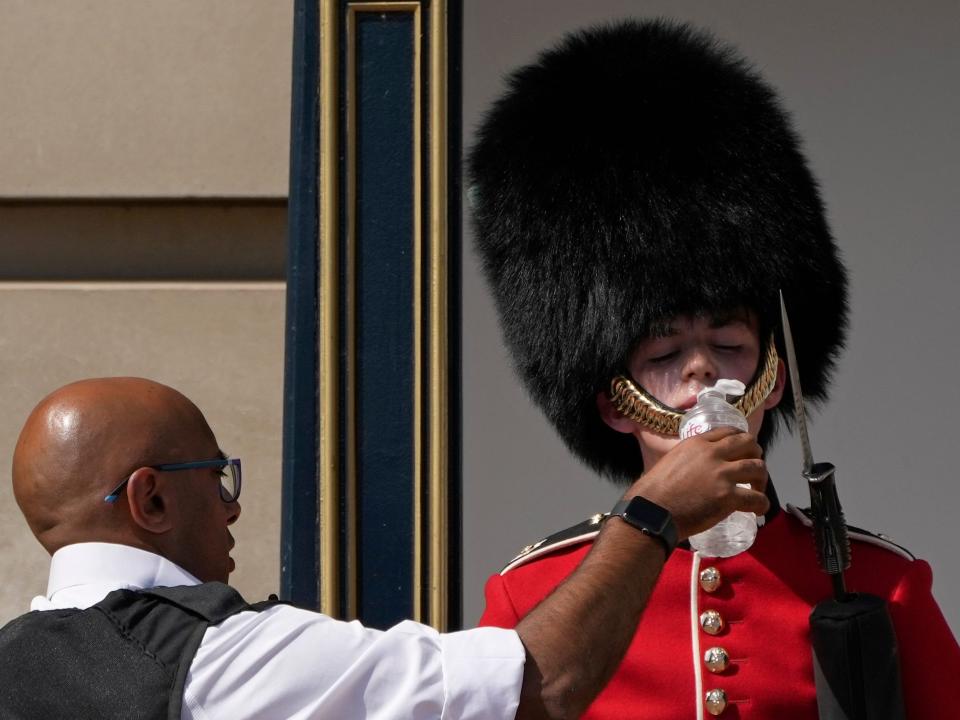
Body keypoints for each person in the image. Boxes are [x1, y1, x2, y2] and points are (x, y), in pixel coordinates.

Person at [468, 18, 960, 719]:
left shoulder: (886, 583)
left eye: (729, 345)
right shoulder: (534, 593)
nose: (703, 372)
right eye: (665, 354)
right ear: (615, 403)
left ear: (774, 378)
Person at [0, 376, 765, 719]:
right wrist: (651, 514)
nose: (232, 511)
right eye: (217, 479)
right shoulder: (223, 661)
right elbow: (538, 686)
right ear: (152, 498)